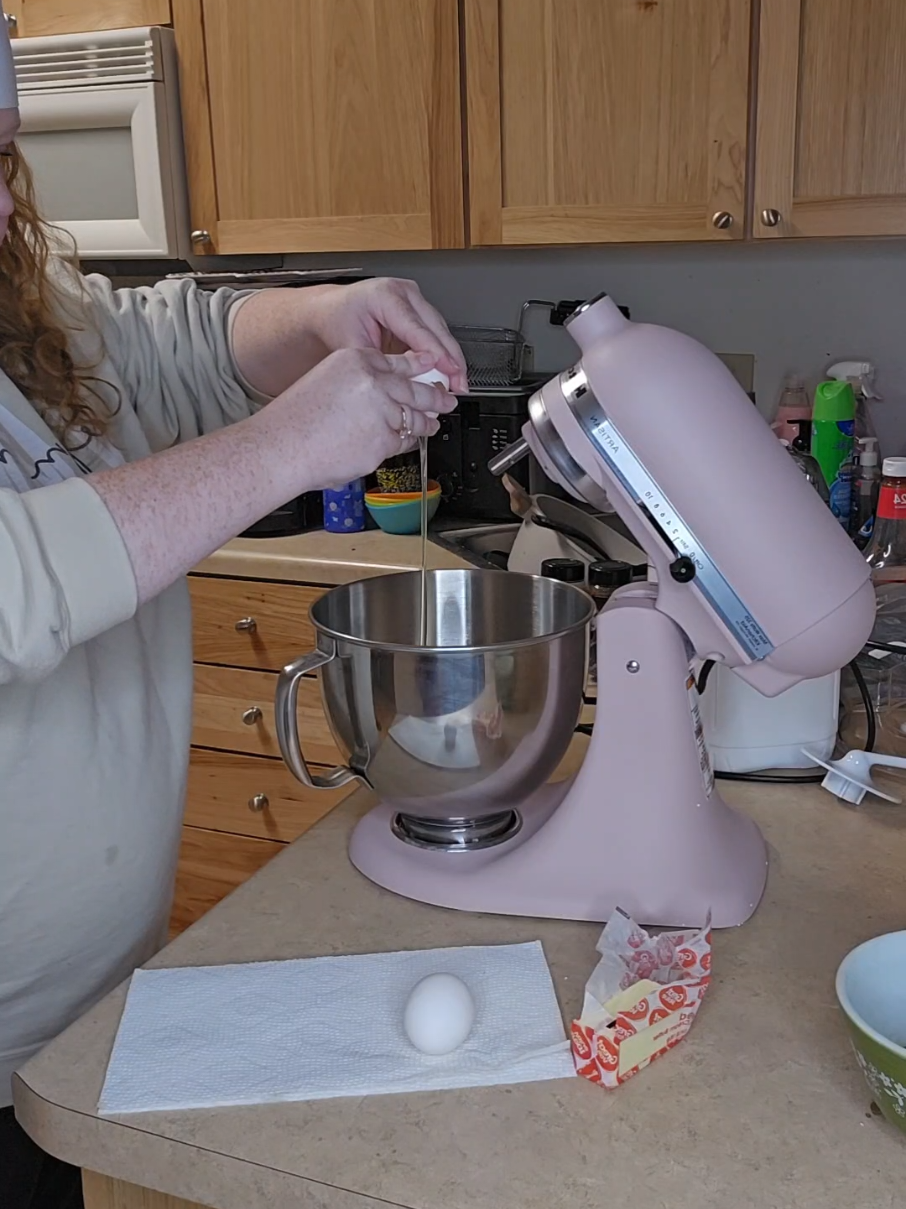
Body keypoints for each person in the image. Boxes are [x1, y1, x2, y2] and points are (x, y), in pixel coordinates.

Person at [0, 23, 466, 1208]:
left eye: (2, 159)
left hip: (75, 1017)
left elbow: (160, 347)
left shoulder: (14, 297)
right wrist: (293, 442)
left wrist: (320, 315)